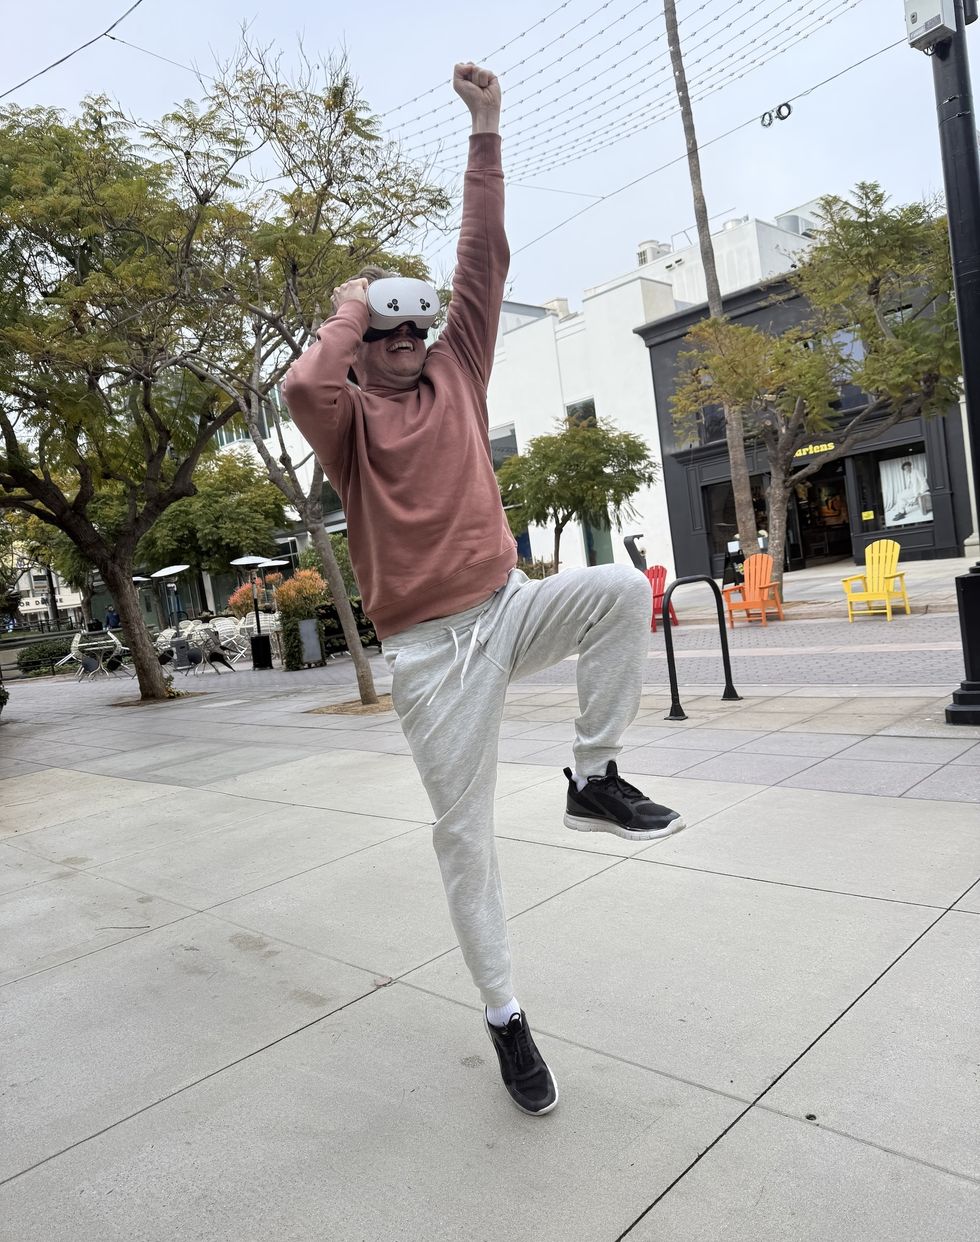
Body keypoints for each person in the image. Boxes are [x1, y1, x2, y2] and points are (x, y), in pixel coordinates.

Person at [282, 63, 686, 1117]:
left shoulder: (461, 366)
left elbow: (483, 254)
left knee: (613, 584)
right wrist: (347, 300)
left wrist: (487, 130)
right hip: (426, 657)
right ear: (367, 344)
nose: (411, 344)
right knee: (464, 839)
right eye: (391, 333)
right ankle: (505, 1016)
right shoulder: (348, 421)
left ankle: (591, 773)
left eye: (418, 328)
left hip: (508, 605)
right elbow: (298, 383)